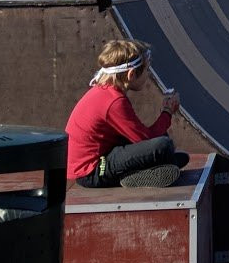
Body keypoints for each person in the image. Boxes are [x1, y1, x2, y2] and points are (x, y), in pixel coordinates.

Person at [65, 38, 188, 189]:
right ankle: (131, 175)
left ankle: (158, 166)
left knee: (163, 141)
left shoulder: (105, 92)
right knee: (163, 145)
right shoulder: (113, 101)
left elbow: (136, 135)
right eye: (146, 70)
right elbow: (145, 139)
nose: (148, 75)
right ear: (131, 74)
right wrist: (167, 112)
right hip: (92, 172)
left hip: (100, 159)